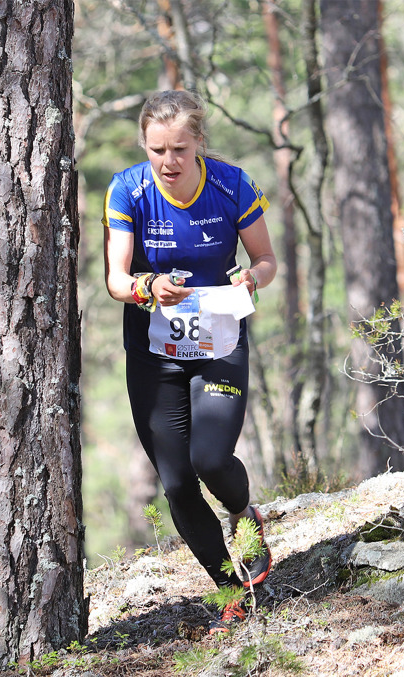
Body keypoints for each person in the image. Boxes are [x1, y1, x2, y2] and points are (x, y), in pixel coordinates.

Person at [102, 90, 277, 632]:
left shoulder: (232, 185)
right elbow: (115, 279)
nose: (168, 161)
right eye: (157, 149)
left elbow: (267, 260)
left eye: (180, 148)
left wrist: (251, 278)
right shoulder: (128, 189)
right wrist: (148, 287)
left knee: (211, 459)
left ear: (200, 143)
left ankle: (244, 512)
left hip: (219, 340)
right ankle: (230, 588)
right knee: (176, 482)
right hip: (154, 350)